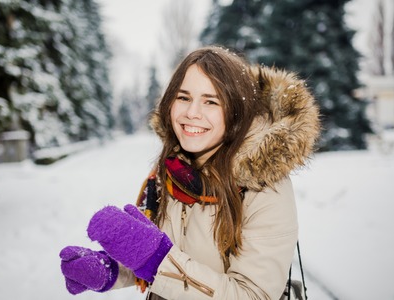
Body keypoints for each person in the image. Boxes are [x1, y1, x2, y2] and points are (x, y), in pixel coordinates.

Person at [59, 45, 320, 299]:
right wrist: (112, 270)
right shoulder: (171, 171)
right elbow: (165, 260)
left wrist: (153, 258)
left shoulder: (265, 187)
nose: (192, 113)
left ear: (237, 112)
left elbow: (253, 294)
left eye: (211, 101)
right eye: (183, 97)